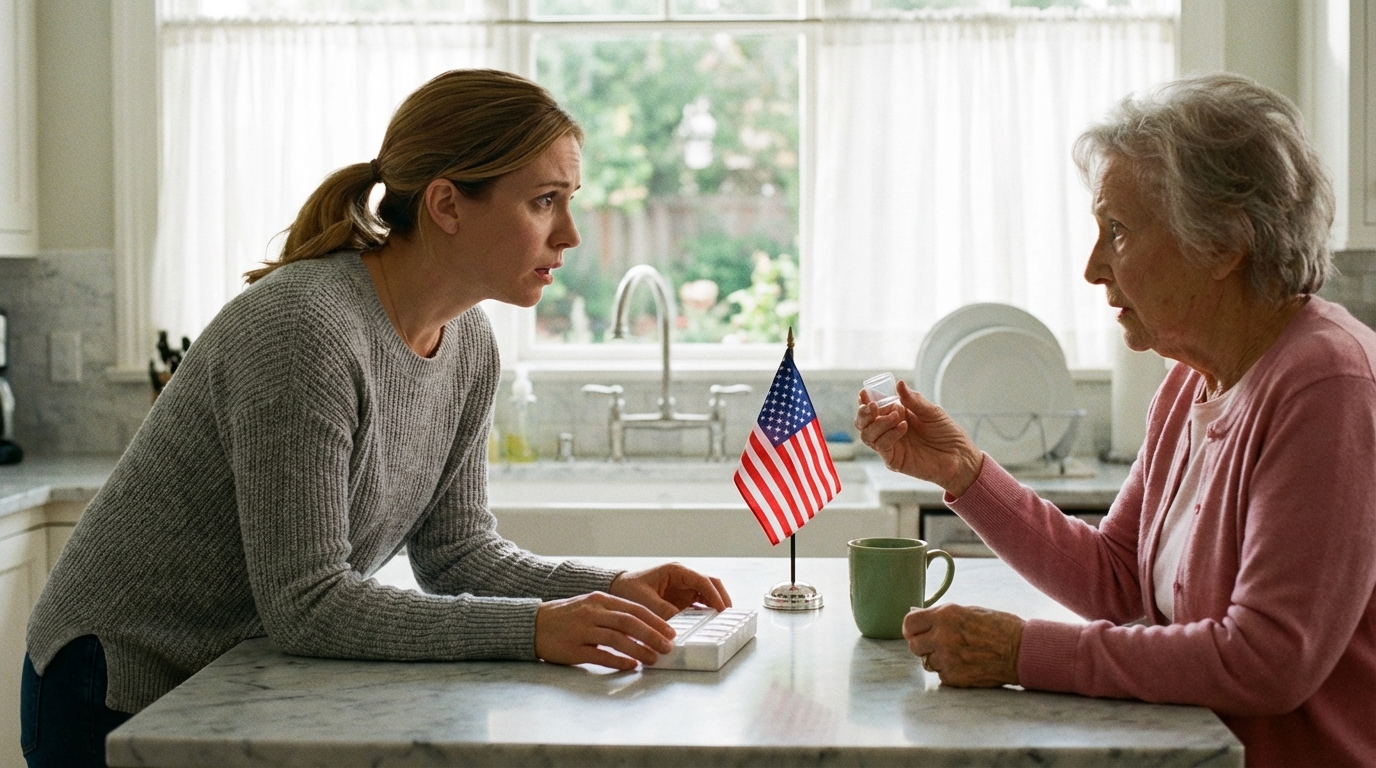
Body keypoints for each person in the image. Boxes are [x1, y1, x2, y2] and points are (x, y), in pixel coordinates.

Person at [21, 69, 731, 768]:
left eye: (569, 201)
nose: (570, 234)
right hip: (115, 683)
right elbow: (308, 603)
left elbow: (457, 552)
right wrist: (537, 627)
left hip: (233, 680)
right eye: (544, 201)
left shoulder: (468, 342)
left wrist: (610, 588)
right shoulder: (305, 328)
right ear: (447, 205)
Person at [856, 73, 1376, 767]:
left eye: (1119, 231)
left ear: (1225, 243)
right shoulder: (1190, 379)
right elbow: (1118, 578)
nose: (1093, 267)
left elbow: (1267, 661)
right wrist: (965, 472)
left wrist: (1021, 651)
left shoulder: (1328, 384)